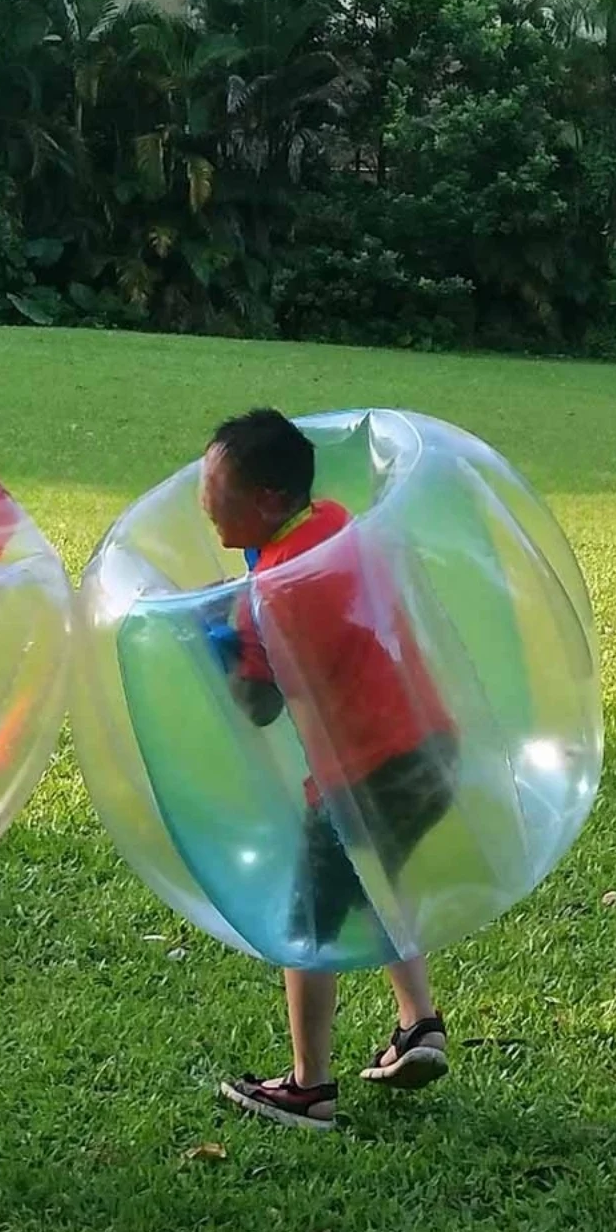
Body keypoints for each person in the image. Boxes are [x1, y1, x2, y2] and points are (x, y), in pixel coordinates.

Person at [199, 408, 456, 1130]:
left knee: (304, 925)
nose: (204, 500)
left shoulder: (268, 599)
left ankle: (309, 1087)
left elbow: (257, 706)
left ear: (271, 502)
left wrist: (216, 643)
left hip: (361, 774)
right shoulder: (336, 523)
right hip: (433, 747)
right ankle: (419, 1024)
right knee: (378, 884)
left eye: (219, 490)